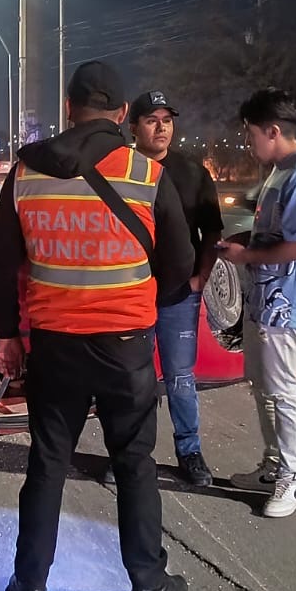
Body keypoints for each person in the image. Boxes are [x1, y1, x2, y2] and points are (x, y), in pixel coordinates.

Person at [0, 61, 194, 591]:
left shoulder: (26, 172)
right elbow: (180, 265)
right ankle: (147, 582)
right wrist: (144, 296)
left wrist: (7, 332)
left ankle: (28, 586)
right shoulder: (146, 174)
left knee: (48, 462)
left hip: (54, 344)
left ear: (68, 108)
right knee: (134, 462)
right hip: (126, 346)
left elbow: (0, 260)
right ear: (123, 114)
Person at [218, 88, 296, 518]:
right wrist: (242, 242)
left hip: (285, 304)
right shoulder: (280, 171)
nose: (249, 143)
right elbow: (275, 234)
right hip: (265, 299)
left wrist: (246, 256)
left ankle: (292, 477)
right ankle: (273, 465)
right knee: (262, 386)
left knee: (282, 391)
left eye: (251, 135)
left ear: (273, 130)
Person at [119, 90, 225, 487]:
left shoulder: (193, 173)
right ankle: (131, 455)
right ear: (133, 127)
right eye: (151, 119)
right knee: (135, 378)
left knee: (180, 377)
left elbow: (212, 231)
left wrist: (199, 278)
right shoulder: (120, 171)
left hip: (179, 296)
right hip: (129, 295)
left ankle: (190, 451)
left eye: (167, 119)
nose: (161, 127)